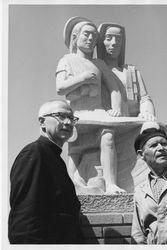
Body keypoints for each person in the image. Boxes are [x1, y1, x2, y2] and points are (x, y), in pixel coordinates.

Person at [56, 17, 126, 194]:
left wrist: (116, 108)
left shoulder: (99, 64)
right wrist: (82, 79)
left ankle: (111, 184)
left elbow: (114, 89)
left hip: (99, 113)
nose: (90, 39)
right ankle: (70, 188)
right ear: (75, 37)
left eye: (94, 36)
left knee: (108, 137)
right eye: (86, 34)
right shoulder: (66, 60)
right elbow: (60, 88)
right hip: (78, 115)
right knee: (75, 150)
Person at [8, 99, 84, 244]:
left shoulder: (55, 158)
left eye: (71, 118)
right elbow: (24, 222)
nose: (68, 122)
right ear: (42, 122)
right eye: (60, 116)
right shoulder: (35, 153)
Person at [97, 22, 155, 120]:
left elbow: (144, 99)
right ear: (101, 42)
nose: (114, 43)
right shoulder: (96, 70)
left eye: (118, 39)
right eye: (109, 38)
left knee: (154, 131)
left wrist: (147, 112)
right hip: (107, 120)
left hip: (132, 121)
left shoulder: (131, 72)